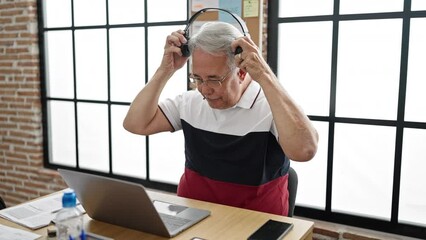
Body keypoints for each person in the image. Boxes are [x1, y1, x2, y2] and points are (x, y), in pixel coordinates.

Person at [123, 21, 318, 216]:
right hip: (192, 214)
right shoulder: (190, 102)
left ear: (241, 72)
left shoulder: (272, 107)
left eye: (214, 79)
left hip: (255, 221)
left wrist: (265, 75)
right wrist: (165, 70)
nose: (205, 90)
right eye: (197, 78)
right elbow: (135, 124)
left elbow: (305, 150)